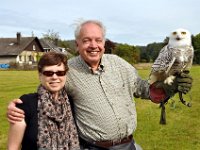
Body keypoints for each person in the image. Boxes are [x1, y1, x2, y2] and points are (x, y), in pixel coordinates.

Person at [7, 20, 193, 150]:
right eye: (86, 40)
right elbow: (49, 91)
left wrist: (167, 86)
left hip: (129, 145)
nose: (93, 45)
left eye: (98, 40)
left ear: (104, 43)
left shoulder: (119, 64)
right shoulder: (69, 70)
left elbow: (144, 89)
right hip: (93, 147)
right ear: (77, 45)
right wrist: (20, 108)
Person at [7, 52, 80, 150]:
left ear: (65, 75)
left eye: (60, 73)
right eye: (48, 73)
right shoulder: (26, 103)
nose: (54, 77)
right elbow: (13, 147)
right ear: (40, 75)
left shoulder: (72, 102)